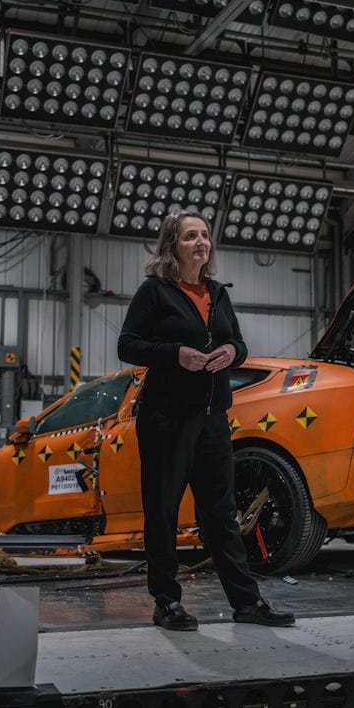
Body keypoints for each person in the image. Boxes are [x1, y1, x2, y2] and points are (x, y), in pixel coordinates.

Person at [118, 209, 295, 632]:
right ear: (172, 246)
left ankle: (247, 602)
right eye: (190, 236)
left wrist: (233, 353)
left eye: (205, 236)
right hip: (165, 418)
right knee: (162, 511)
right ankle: (166, 602)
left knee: (220, 513)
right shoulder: (155, 291)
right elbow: (128, 345)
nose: (201, 242)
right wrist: (174, 354)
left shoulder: (217, 293)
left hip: (214, 418)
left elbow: (238, 342)